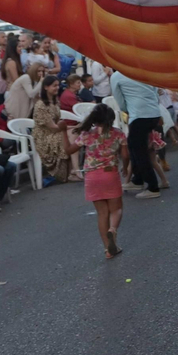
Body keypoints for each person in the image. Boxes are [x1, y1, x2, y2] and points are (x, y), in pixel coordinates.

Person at [68, 103, 126, 257]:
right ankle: (112, 230)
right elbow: (125, 155)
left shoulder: (87, 135)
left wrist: (62, 132)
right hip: (110, 174)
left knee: (102, 214)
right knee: (116, 209)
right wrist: (126, 168)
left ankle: (108, 250)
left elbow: (69, 150)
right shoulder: (118, 133)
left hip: (92, 177)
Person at [112, 70, 163, 198]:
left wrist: (127, 111)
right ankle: (137, 179)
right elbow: (156, 93)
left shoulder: (117, 76)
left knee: (139, 151)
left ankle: (152, 186)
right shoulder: (143, 71)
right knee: (134, 146)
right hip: (154, 113)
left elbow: (119, 99)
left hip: (139, 115)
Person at [30, 78, 73, 185]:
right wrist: (66, 128)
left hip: (55, 131)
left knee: (74, 133)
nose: (57, 88)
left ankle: (73, 171)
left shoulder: (55, 102)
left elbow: (59, 125)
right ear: (46, 87)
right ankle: (67, 173)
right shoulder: (40, 105)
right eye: (54, 85)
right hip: (44, 136)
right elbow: (54, 127)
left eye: (58, 85)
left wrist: (75, 127)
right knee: (66, 137)